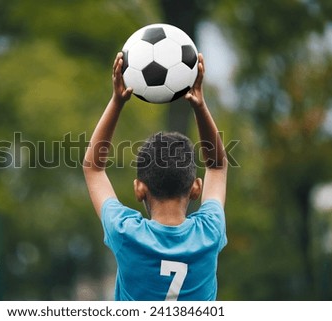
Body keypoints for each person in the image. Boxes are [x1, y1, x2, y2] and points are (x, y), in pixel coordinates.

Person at [83, 52, 228, 301]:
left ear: (139, 189)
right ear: (196, 188)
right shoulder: (210, 232)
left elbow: (93, 167)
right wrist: (200, 106)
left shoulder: (125, 232)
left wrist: (117, 102)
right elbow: (217, 166)